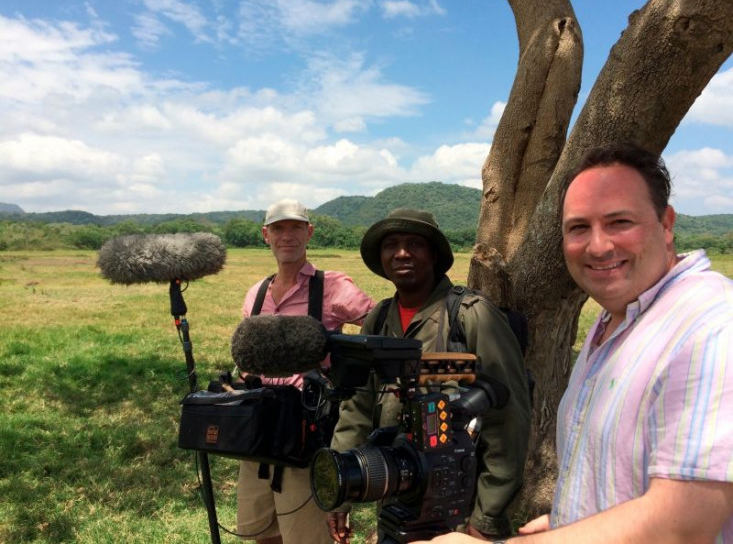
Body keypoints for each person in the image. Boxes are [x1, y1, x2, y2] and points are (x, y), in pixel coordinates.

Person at [411, 143, 733, 544]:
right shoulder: (617, 319)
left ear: (666, 223)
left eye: (619, 222)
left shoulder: (711, 327)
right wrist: (573, 515)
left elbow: (685, 523)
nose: (598, 246)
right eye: (579, 227)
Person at [327, 208, 531, 543]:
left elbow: (509, 420)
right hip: (397, 496)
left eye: (414, 244)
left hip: (459, 513)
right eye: (391, 245)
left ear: (434, 254)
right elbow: (356, 409)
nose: (401, 253)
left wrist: (487, 517)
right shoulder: (379, 319)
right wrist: (342, 486)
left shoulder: (471, 315)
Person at [236, 198, 375, 544]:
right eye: (279, 228)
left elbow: (377, 324)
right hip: (259, 432)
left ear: (309, 232)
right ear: (265, 235)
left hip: (307, 432)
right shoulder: (256, 294)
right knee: (263, 532)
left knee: (309, 536)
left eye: (295, 227)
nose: (287, 236)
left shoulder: (331, 287)